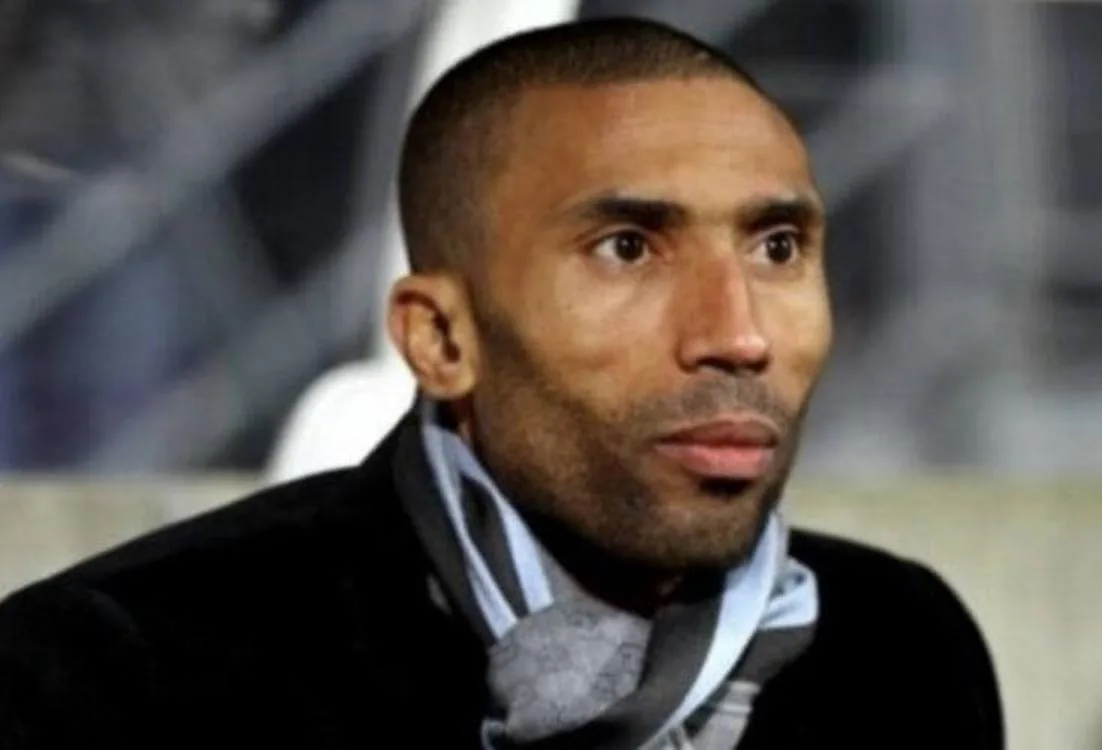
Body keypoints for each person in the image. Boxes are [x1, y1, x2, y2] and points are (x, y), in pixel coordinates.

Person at [0, 18, 1004, 749]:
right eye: (627, 247)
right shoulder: (120, 674)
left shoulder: (898, 648)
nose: (737, 335)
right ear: (441, 337)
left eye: (778, 246)